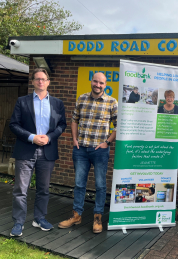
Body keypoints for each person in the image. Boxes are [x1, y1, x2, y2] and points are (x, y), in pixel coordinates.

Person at [9, 68, 67, 237]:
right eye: (37, 79)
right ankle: (18, 222)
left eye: (43, 79)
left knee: (43, 189)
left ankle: (39, 218)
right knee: (20, 189)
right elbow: (14, 125)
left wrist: (49, 137)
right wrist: (32, 137)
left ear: (48, 82)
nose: (40, 81)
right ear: (33, 82)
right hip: (26, 150)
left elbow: (61, 125)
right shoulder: (22, 101)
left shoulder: (57, 103)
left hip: (47, 152)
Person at [58, 72, 118, 234]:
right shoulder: (82, 99)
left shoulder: (112, 102)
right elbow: (74, 120)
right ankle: (76, 215)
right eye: (95, 82)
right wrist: (75, 140)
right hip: (81, 150)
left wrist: (107, 142)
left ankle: (97, 217)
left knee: (100, 185)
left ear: (105, 85)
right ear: (91, 81)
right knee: (79, 184)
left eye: (101, 83)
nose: (98, 85)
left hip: (100, 151)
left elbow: (119, 126)